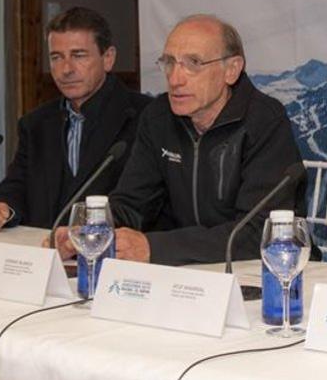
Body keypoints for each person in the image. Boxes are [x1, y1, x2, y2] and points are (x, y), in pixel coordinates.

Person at [54, 14, 305, 265]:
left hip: (262, 272)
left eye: (193, 63)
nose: (175, 79)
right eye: (169, 63)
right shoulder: (158, 117)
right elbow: (132, 205)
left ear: (231, 69)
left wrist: (154, 247)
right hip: (185, 272)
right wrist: (90, 231)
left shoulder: (264, 121)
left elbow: (258, 233)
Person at [0, 7, 150, 232]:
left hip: (113, 258)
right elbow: (17, 186)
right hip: (45, 257)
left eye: (78, 55)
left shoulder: (147, 117)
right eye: (56, 57)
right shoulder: (35, 124)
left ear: (108, 58)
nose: (66, 69)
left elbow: (147, 204)